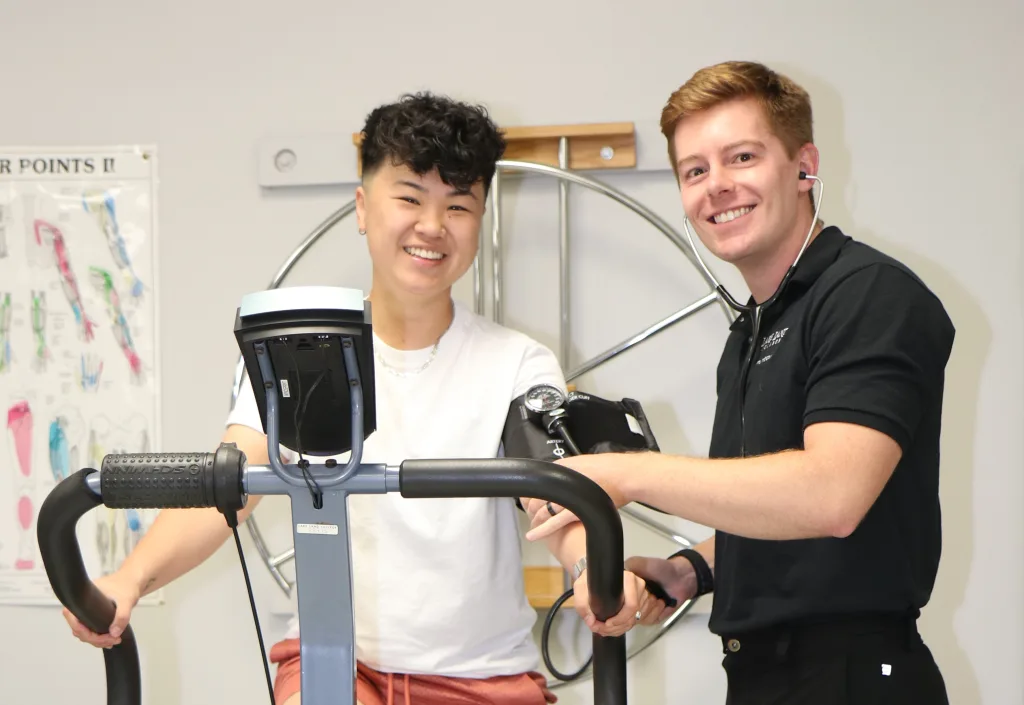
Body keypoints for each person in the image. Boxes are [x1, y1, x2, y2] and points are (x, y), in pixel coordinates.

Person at [63, 92, 653, 705]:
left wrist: (593, 572)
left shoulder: (518, 364)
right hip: (338, 667)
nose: (431, 226)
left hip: (484, 679)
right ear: (363, 208)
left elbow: (553, 505)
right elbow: (225, 490)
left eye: (458, 205)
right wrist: (127, 580)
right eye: (408, 198)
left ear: (481, 219)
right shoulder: (294, 353)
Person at [525, 61, 955, 704]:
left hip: (852, 679)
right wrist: (686, 570)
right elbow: (771, 510)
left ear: (804, 165)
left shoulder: (869, 295)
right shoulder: (751, 330)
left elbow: (831, 495)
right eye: (695, 171)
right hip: (759, 678)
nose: (717, 186)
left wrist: (625, 474)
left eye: (742, 157)